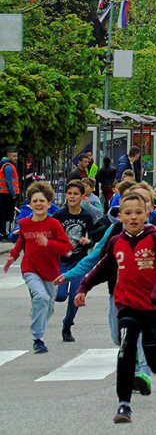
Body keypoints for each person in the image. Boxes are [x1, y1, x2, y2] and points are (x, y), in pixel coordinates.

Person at [75, 192, 156, 424]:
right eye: (128, 213)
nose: (133, 217)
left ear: (147, 214)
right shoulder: (116, 242)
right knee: (126, 347)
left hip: (153, 309)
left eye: (138, 213)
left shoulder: (154, 238)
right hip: (127, 306)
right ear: (120, 216)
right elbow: (103, 267)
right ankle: (124, 404)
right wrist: (84, 287)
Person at [4, 181, 73, 353]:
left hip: (50, 272)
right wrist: (13, 256)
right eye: (35, 201)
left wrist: (48, 243)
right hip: (30, 269)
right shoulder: (25, 223)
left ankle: (39, 321)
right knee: (41, 297)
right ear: (30, 204)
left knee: (47, 308)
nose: (38, 204)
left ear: (49, 204)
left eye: (42, 201)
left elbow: (67, 248)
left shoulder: (54, 224)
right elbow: (21, 241)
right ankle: (37, 339)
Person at [52, 180, 95, 343]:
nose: (72, 196)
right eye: (69, 193)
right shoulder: (59, 215)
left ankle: (67, 325)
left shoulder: (87, 216)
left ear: (82, 196)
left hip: (79, 262)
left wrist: (87, 242)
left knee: (75, 296)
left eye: (75, 194)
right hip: (62, 260)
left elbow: (93, 239)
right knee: (61, 295)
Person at [0, 147, 20, 240]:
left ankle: (5, 232)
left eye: (16, 156)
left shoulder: (8, 166)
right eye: (13, 156)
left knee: (7, 213)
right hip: (8, 194)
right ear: (9, 156)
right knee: (8, 214)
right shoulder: (8, 167)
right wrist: (13, 194)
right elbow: (9, 182)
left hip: (5, 193)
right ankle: (6, 232)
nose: (16, 158)